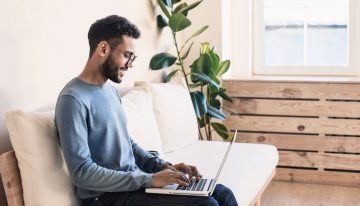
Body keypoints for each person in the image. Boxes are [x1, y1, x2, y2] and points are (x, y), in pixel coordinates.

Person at [55, 15, 238, 206]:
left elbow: (127, 143)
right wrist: (149, 180)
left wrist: (161, 167)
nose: (130, 63)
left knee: (222, 193)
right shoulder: (73, 99)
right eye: (127, 55)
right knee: (207, 204)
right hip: (105, 197)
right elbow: (82, 173)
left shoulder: (110, 91)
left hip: (134, 185)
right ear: (103, 49)